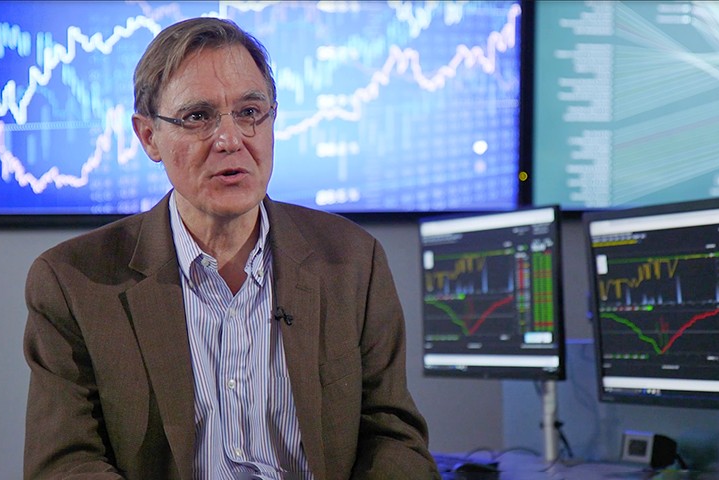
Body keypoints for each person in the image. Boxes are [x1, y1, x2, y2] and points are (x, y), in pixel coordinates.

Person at [23, 16, 440, 480]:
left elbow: (393, 438)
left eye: (249, 113)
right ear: (148, 137)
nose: (230, 140)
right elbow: (66, 464)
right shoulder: (72, 282)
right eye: (197, 117)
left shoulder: (353, 262)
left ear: (272, 120)